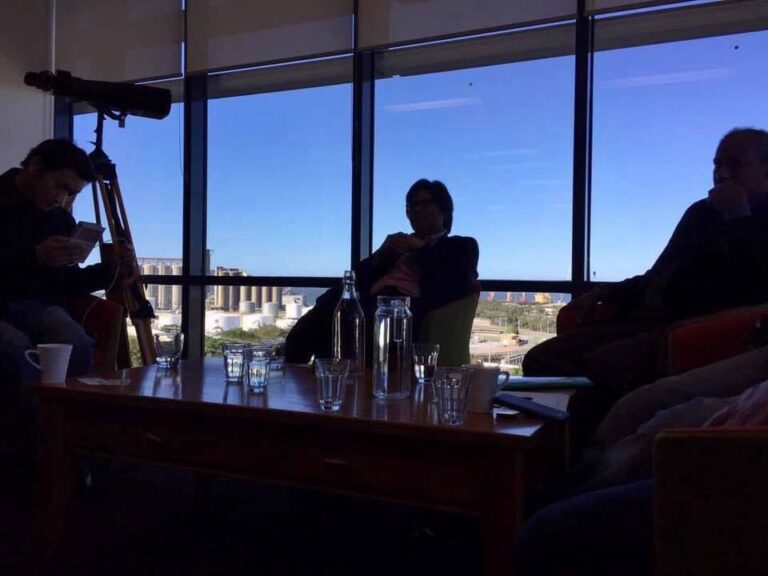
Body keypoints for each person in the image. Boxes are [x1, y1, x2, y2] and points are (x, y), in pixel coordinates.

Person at [523, 128, 768, 397]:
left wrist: (737, 214)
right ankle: (557, 424)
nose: (722, 174)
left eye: (735, 164)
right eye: (717, 165)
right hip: (646, 321)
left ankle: (597, 423)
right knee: (540, 358)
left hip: (692, 332)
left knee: (605, 365)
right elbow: (657, 275)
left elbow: (751, 284)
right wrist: (606, 292)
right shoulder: (700, 212)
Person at [285, 179, 479, 363]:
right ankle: (299, 371)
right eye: (411, 206)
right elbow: (355, 278)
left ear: (445, 210)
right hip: (373, 302)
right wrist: (379, 255)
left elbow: (457, 283)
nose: (416, 209)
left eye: (425, 203)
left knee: (341, 320)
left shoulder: (461, 246)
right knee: (326, 308)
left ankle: (333, 375)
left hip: (406, 315)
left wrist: (420, 248)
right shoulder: (396, 248)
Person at [0, 139, 125, 381]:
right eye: (60, 186)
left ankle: (68, 405)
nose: (62, 199)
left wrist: (112, 269)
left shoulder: (59, 218)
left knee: (75, 341)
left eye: (71, 194)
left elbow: (68, 281)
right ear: (35, 167)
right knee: (15, 349)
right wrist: (35, 256)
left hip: (40, 308)